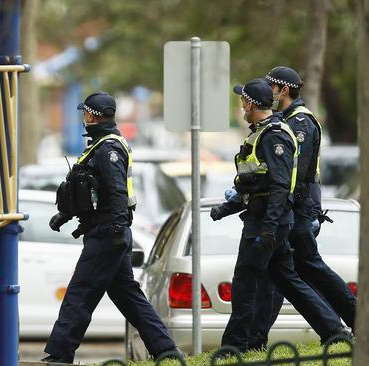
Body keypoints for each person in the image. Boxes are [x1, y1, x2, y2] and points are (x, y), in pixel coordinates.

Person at [210, 79, 350, 354]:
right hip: (264, 219)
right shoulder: (263, 132)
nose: (241, 105)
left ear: (250, 103)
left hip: (266, 222)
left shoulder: (275, 135)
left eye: (243, 100)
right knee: (288, 280)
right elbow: (257, 182)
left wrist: (271, 228)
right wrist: (226, 209)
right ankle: (333, 331)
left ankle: (234, 346)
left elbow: (279, 186)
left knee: (245, 280)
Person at [41, 92, 179, 364]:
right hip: (106, 230)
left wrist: (115, 229)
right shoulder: (101, 145)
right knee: (129, 297)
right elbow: (91, 190)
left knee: (79, 294)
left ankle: (59, 355)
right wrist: (64, 215)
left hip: (107, 234)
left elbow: (116, 191)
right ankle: (166, 351)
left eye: (85, 114)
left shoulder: (109, 149)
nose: (83, 119)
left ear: (92, 115)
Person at [248, 67, 357, 349]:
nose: (268, 91)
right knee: (282, 273)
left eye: (271, 86)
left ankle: (351, 323)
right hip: (290, 208)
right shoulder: (285, 120)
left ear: (283, 90)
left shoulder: (301, 124)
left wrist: (282, 209)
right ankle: (256, 338)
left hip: (297, 208)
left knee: (307, 268)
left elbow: (294, 175)